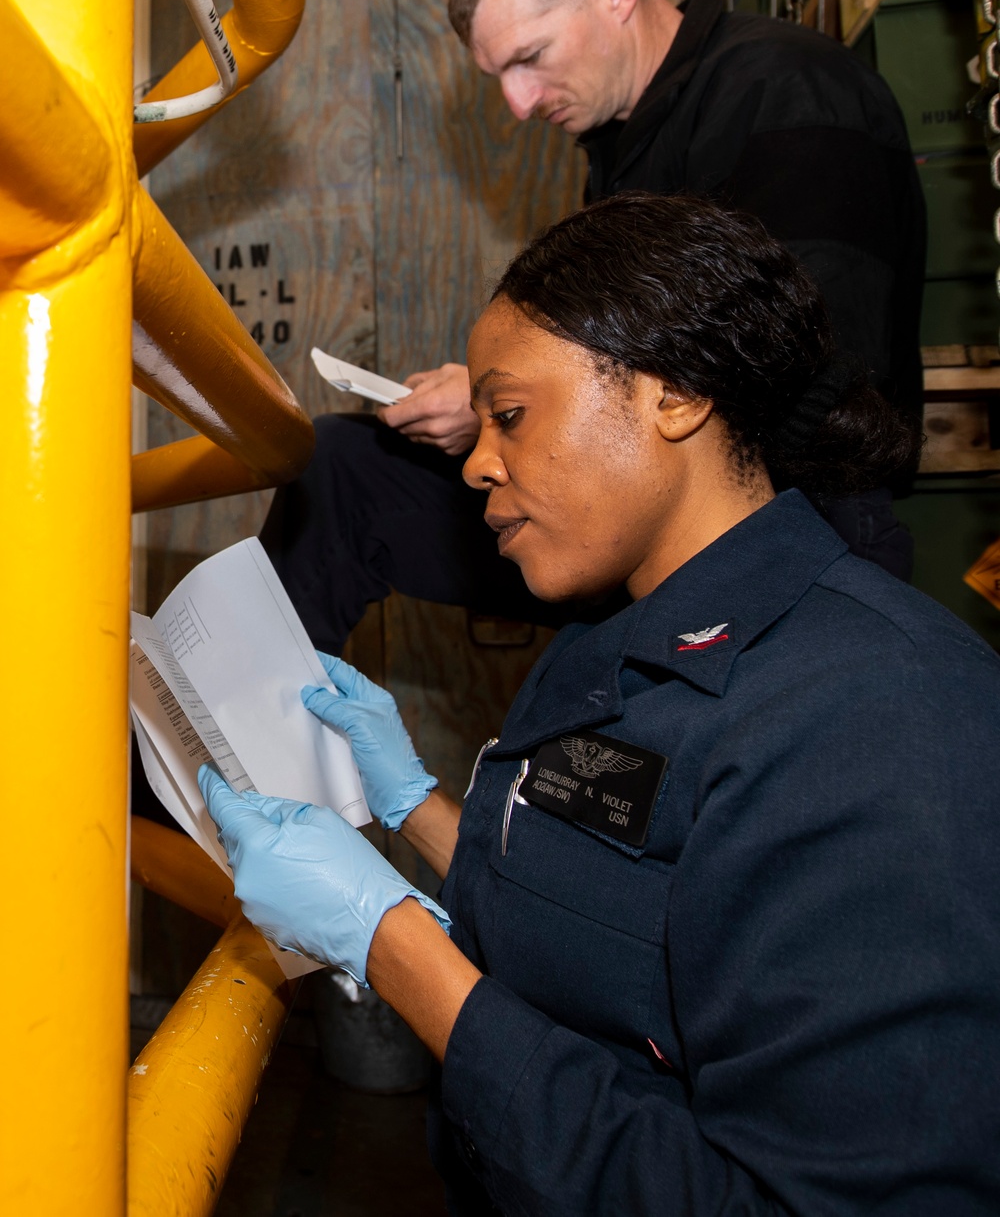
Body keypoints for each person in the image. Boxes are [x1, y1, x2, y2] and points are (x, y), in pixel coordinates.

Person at [205, 196, 998, 1215]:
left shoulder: (883, 716)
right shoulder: (616, 639)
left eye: (512, 414)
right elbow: (627, 918)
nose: (480, 460)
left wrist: (390, 942)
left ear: (673, 397)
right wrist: (412, 804)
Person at [262, 0, 926, 652]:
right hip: (629, 488)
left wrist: (518, 412)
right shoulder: (626, 147)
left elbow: (823, 369)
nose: (516, 104)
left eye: (530, 57)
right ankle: (239, 750)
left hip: (794, 516)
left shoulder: (787, 90)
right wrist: (501, 403)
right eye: (497, 76)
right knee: (343, 470)